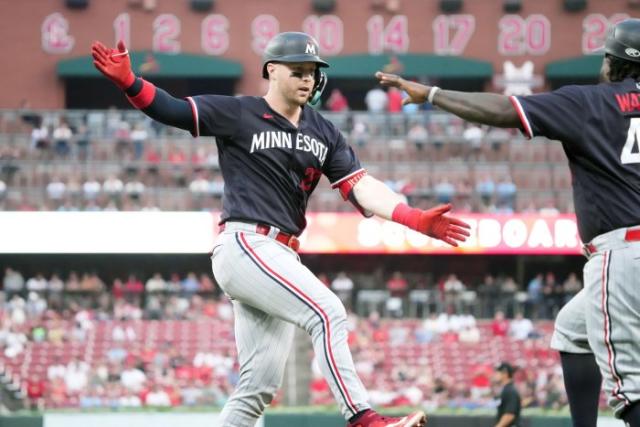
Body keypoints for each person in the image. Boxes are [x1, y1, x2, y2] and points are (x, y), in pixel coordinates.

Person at [92, 32, 470, 427]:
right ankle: (364, 420)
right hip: (245, 242)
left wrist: (412, 217)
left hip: (280, 254)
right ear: (272, 71)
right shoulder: (240, 113)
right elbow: (173, 110)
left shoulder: (324, 132)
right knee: (327, 313)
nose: (308, 79)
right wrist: (130, 83)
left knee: (257, 389)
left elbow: (361, 185)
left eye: (313, 72)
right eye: (298, 70)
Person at [375, 18, 640, 427]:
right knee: (572, 328)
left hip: (625, 254)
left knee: (631, 391)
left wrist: (431, 93)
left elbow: (504, 109)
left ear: (611, 62)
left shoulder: (592, 100)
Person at [494, 362, 521, 427]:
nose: (495, 375)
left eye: (497, 372)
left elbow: (509, 415)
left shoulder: (510, 391)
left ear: (505, 374)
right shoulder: (506, 389)